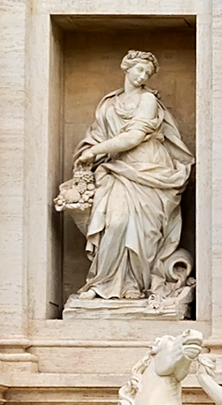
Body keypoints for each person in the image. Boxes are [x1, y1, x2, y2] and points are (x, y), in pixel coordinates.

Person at [59, 53, 194, 309]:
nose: (142, 76)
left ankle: (135, 285)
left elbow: (133, 137)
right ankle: (102, 283)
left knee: (146, 231)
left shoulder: (148, 100)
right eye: (139, 70)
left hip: (150, 170)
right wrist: (89, 153)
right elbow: (96, 136)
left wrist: (93, 152)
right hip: (117, 169)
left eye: (147, 74)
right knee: (116, 222)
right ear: (127, 68)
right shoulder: (109, 104)